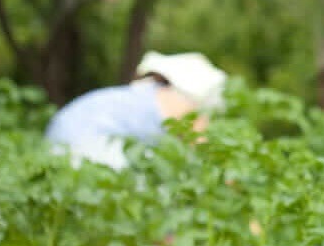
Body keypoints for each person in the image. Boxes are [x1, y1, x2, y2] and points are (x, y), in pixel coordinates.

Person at [45, 51, 228, 169]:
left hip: (53, 152)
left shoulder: (139, 93)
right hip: (88, 156)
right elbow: (204, 151)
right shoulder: (178, 101)